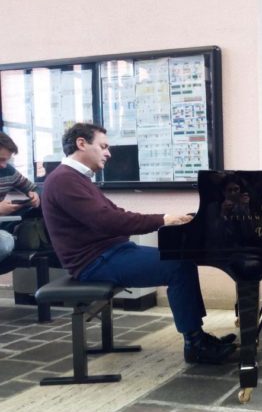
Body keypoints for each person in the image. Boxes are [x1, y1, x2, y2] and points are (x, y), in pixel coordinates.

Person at [41, 123, 236, 364]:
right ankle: (195, 344)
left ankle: (198, 338)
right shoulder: (64, 180)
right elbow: (107, 220)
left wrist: (166, 219)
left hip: (112, 252)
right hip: (94, 262)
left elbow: (114, 213)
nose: (109, 153)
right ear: (81, 143)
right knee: (179, 265)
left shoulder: (75, 179)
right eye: (103, 146)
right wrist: (162, 220)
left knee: (182, 257)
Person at [0, 133, 41, 262]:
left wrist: (35, 195)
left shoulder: (8, 171)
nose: (4, 165)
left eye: (6, 160)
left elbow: (33, 188)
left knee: (6, 241)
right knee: (5, 242)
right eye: (1, 159)